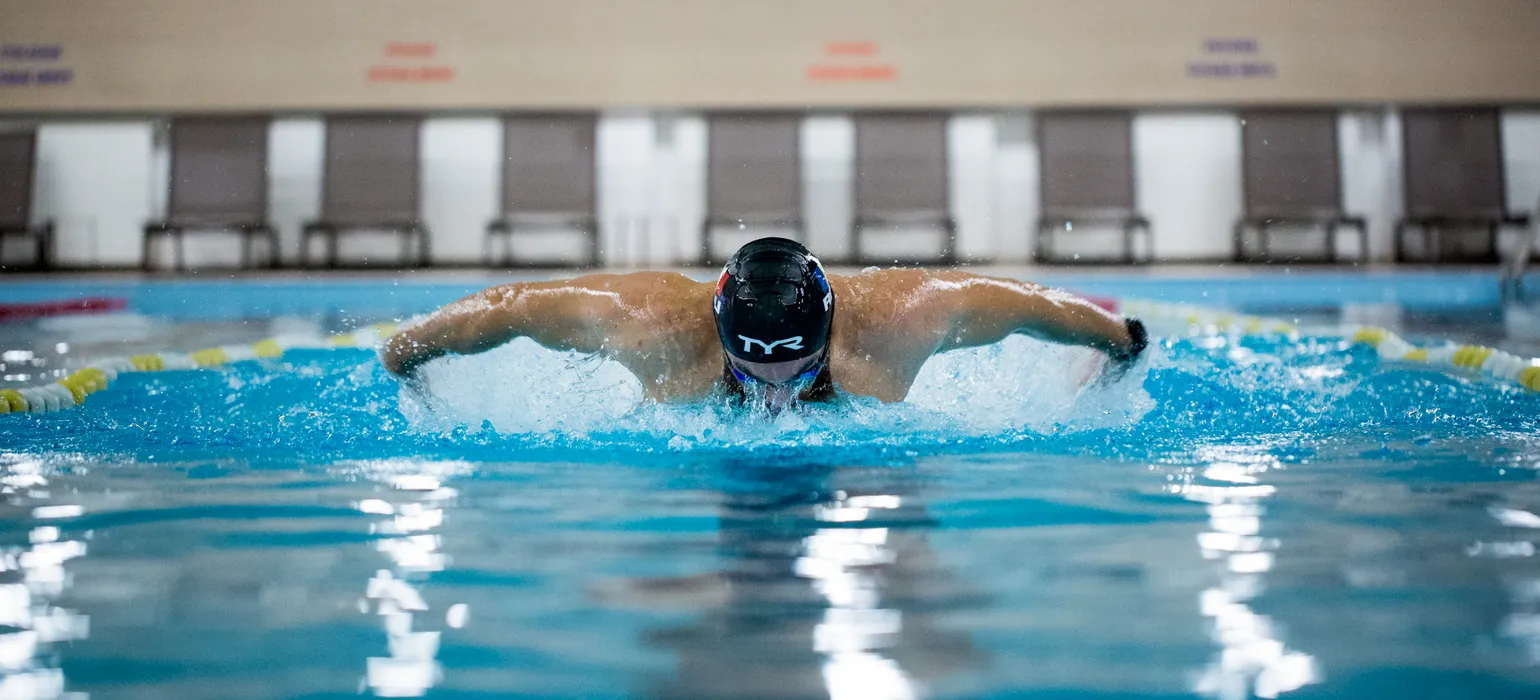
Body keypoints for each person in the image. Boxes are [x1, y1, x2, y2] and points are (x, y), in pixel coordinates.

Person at [382, 237, 1146, 408]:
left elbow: (1029, 307)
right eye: (750, 372)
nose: (775, 392)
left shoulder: (905, 317)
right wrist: (408, 349)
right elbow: (513, 309)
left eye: (801, 371)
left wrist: (1117, 343)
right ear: (718, 334)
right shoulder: (649, 323)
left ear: (830, 331)